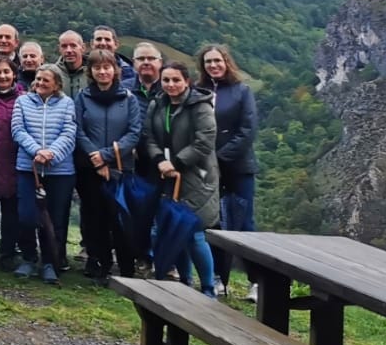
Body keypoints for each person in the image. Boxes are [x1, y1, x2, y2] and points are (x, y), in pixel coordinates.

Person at [142, 62, 220, 296]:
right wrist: (159, 161)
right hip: (165, 176)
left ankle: (208, 287)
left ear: (187, 81)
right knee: (174, 231)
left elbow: (204, 141)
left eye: (176, 80)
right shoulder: (157, 104)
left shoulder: (200, 107)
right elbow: (148, 136)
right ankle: (185, 282)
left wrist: (176, 163)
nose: (171, 85)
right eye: (166, 80)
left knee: (194, 233)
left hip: (197, 177)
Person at [73, 50, 144, 284]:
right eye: (97, 68)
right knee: (95, 219)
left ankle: (126, 268)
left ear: (115, 69)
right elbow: (78, 129)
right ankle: (100, 265)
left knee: (122, 220)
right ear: (91, 72)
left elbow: (134, 133)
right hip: (90, 170)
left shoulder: (129, 98)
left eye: (107, 67)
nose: (102, 72)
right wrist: (95, 158)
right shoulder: (83, 97)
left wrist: (106, 156)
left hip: (121, 169)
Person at [201, 44, 258, 300]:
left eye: (217, 60)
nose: (213, 65)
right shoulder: (198, 91)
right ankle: (218, 279)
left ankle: (256, 281)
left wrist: (219, 158)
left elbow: (247, 131)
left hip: (238, 168)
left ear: (226, 62)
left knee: (244, 223)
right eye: (208, 62)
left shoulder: (242, 91)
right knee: (215, 223)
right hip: (207, 170)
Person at [12, 65, 77, 284]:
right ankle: (28, 258)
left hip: (60, 172)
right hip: (28, 169)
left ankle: (51, 262)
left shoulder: (67, 104)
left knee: (55, 220)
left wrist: (52, 153)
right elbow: (18, 130)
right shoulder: (22, 101)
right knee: (27, 216)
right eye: (38, 79)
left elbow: (69, 132)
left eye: (45, 80)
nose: (39, 83)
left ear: (57, 84)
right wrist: (37, 151)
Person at [0, 57, 34, 271]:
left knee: (12, 216)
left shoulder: (25, 98)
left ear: (14, 74)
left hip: (15, 164)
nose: (2, 76)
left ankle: (7, 254)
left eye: (6, 72)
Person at [55, 31, 89, 97]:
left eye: (73, 46)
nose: (69, 50)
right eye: (64, 46)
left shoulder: (93, 72)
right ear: (59, 49)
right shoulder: (53, 73)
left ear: (83, 47)